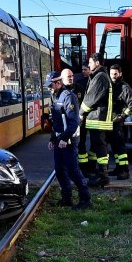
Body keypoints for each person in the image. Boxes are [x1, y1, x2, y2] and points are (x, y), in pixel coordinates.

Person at [47, 69, 91, 209]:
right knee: (59, 170)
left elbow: (73, 122)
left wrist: (64, 138)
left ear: (58, 82)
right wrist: (52, 138)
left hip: (69, 139)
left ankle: (86, 199)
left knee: (73, 170)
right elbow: (56, 121)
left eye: (51, 85)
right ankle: (67, 199)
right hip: (60, 138)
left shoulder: (68, 96)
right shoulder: (55, 96)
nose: (49, 88)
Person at [79, 52, 115, 187]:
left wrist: (80, 112)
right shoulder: (99, 76)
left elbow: (91, 98)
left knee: (100, 147)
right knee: (98, 147)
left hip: (99, 119)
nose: (88, 65)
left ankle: (103, 176)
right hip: (98, 118)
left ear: (97, 62)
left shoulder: (100, 77)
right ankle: (100, 173)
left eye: (90, 62)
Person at [107, 62, 132, 179]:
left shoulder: (124, 87)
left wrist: (122, 116)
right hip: (109, 122)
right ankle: (118, 168)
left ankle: (125, 170)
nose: (113, 76)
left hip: (118, 124)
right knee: (114, 147)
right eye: (111, 74)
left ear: (120, 73)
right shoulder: (110, 85)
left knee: (120, 148)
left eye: (115, 74)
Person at [74, 64, 90, 169]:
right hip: (82, 115)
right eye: (82, 69)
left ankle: (86, 165)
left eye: (85, 69)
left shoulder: (94, 81)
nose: (83, 71)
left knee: (84, 141)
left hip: (88, 115)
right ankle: (83, 165)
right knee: (81, 141)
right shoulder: (79, 83)